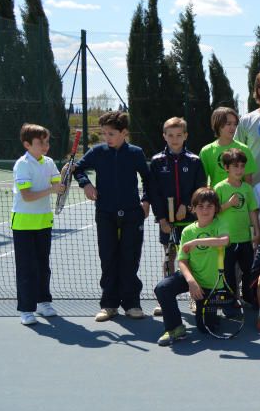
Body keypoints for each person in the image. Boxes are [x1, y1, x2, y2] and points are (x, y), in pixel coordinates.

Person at [72, 111, 151, 322]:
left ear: (124, 132)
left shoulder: (136, 153)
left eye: (112, 133)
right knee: (108, 259)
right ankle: (109, 305)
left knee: (130, 259)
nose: (107, 137)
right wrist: (85, 183)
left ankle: (132, 304)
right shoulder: (97, 152)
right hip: (105, 213)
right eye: (104, 133)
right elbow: (77, 169)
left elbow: (148, 179)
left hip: (133, 215)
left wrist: (146, 200)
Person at [153, 187, 230, 345]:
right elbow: (182, 260)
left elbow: (224, 241)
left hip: (212, 285)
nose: (205, 210)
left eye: (209, 206)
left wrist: (196, 242)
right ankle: (175, 328)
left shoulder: (220, 224)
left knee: (206, 327)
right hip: (192, 277)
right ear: (193, 209)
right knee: (162, 288)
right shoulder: (188, 231)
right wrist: (191, 282)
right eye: (200, 206)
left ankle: (214, 308)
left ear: (216, 208)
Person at [148, 117, 207, 316]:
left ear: (185, 136)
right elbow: (153, 192)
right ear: (164, 136)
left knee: (191, 258)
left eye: (179, 135)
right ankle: (166, 299)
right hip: (167, 221)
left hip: (190, 220)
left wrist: (188, 205)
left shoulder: (195, 161)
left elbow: (200, 188)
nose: (175, 139)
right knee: (169, 257)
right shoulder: (156, 162)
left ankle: (194, 295)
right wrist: (162, 218)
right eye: (170, 135)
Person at [11, 123, 65, 326]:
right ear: (27, 144)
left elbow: (59, 183)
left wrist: (65, 175)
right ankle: (26, 309)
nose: (45, 146)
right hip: (23, 224)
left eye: (47, 142)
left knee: (43, 266)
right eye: (40, 143)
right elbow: (27, 195)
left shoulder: (49, 162)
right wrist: (52, 190)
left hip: (44, 222)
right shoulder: (22, 164)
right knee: (27, 268)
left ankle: (44, 302)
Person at [214, 148, 260, 305]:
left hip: (245, 239)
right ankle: (230, 301)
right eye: (235, 166)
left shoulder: (247, 188)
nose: (240, 170)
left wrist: (257, 231)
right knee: (228, 273)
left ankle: (249, 297)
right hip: (226, 241)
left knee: (249, 270)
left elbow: (253, 211)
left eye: (242, 166)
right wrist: (229, 204)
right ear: (226, 168)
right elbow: (213, 211)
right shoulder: (220, 188)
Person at [201, 107, 257, 187]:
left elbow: (248, 182)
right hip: (215, 199)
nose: (233, 127)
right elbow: (203, 183)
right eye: (229, 124)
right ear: (218, 124)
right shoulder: (206, 151)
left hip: (239, 198)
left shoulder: (244, 149)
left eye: (235, 124)